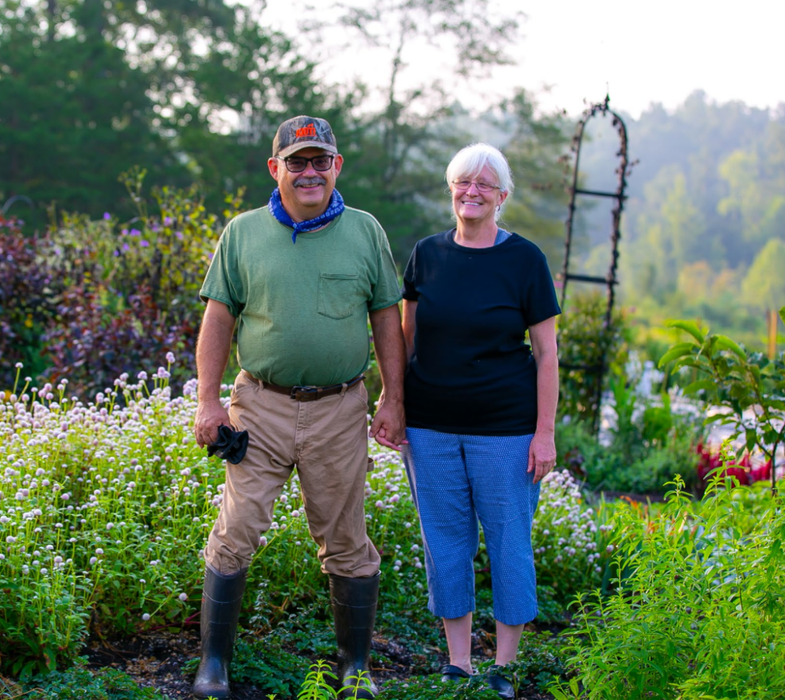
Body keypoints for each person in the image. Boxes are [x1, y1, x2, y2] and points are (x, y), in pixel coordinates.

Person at [191, 115, 406, 700]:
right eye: (297, 161)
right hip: (259, 406)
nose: (309, 172)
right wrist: (209, 401)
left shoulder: (365, 232)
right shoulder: (242, 233)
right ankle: (214, 665)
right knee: (236, 529)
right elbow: (218, 319)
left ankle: (354, 667)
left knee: (346, 538)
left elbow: (387, 317)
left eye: (320, 161)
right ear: (275, 168)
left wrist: (393, 398)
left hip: (340, 409)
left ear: (336, 166)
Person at [400, 143, 560, 699]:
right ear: (452, 189)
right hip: (429, 427)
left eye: (484, 185)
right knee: (444, 541)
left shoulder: (525, 261)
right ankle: (459, 662)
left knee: (509, 541)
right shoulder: (425, 255)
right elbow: (406, 340)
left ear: (502, 197)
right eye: (463, 182)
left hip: (507, 430)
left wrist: (545, 433)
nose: (472, 192)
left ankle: (505, 669)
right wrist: (390, 403)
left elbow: (546, 353)